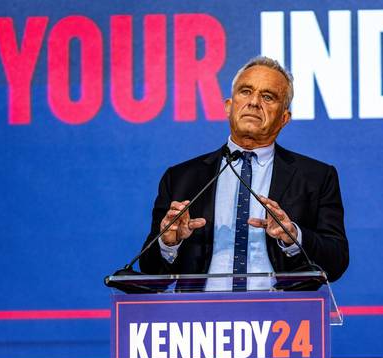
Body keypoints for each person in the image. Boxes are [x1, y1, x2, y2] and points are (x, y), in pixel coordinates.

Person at [139, 57, 348, 286]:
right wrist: (169, 244)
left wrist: (294, 237)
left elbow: (336, 262)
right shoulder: (181, 178)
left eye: (268, 97)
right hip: (201, 317)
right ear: (229, 107)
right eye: (245, 91)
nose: (254, 102)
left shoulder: (316, 177)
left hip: (283, 316)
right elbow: (151, 268)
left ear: (284, 118)